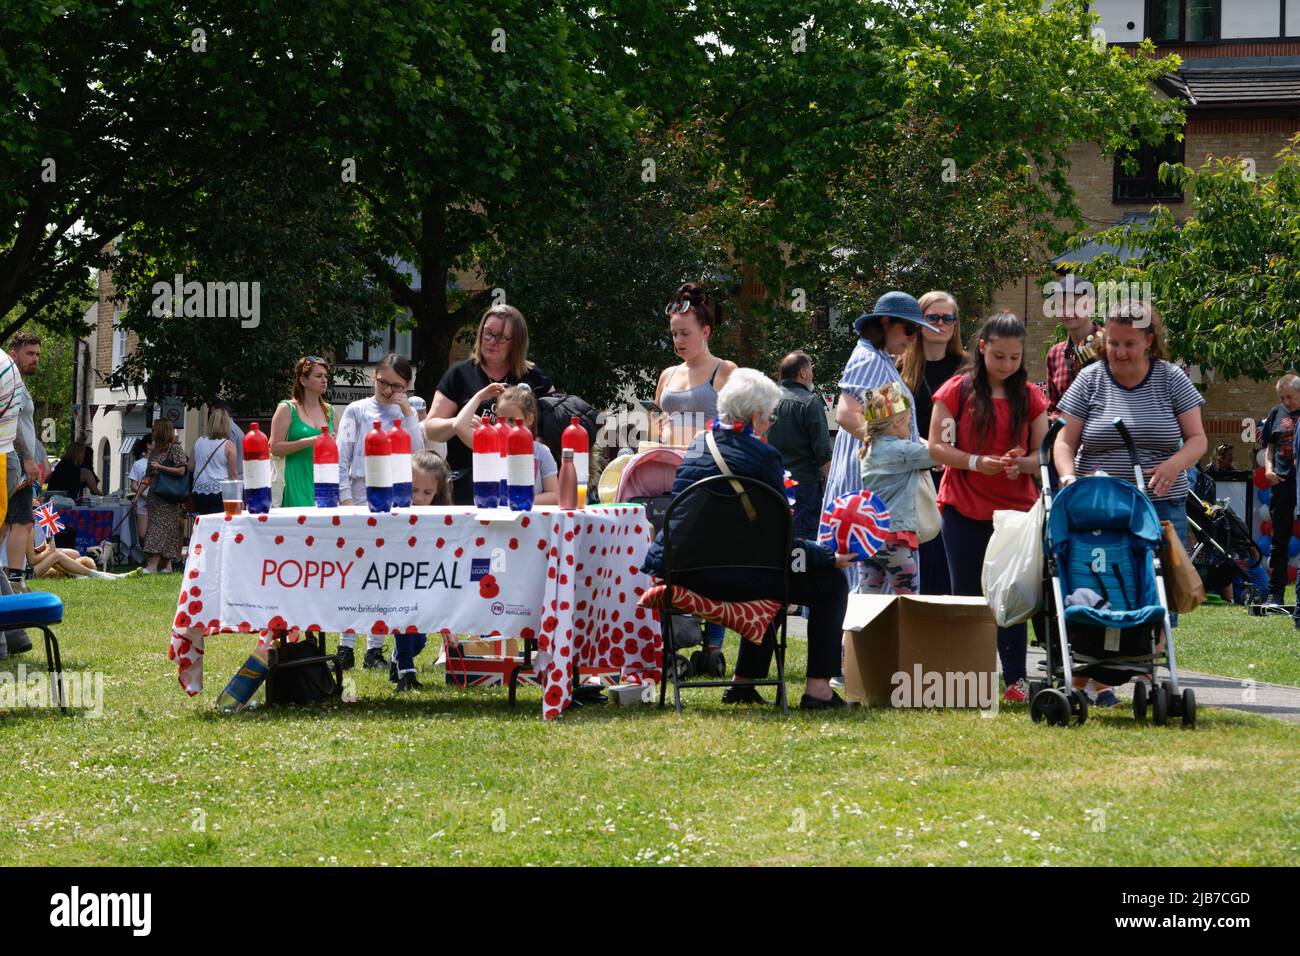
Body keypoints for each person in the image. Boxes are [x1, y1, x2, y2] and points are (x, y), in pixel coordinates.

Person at [642, 368, 856, 709]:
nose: (771, 423)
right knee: (828, 583)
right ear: (756, 416)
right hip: (742, 579)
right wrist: (827, 557)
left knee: (761, 566)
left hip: (687, 575)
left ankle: (744, 685)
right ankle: (819, 691)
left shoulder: (698, 445)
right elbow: (778, 540)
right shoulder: (765, 458)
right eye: (770, 416)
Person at [1054, 300, 1206, 648]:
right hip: (1099, 509)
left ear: (1149, 341)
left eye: (1129, 344)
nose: (1120, 352)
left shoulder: (1171, 379)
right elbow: (1064, 441)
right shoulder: (1090, 379)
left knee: (1159, 592)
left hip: (1159, 504)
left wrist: (1172, 465)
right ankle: (1092, 668)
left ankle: (1148, 673)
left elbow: (1197, 440)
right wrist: (1067, 479)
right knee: (1103, 586)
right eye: (1113, 343)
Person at [928, 312, 1049, 703]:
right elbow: (937, 447)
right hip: (963, 507)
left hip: (1014, 514)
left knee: (1011, 595)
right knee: (967, 594)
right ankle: (970, 679)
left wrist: (1021, 462)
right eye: (999, 356)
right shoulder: (955, 391)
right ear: (982, 348)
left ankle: (1015, 680)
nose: (1007, 365)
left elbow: (1042, 455)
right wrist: (977, 461)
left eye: (1014, 358)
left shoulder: (1031, 396)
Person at [825, 291, 940, 592]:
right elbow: (846, 414)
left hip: (880, 485)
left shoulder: (880, 358)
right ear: (885, 323)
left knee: (872, 588)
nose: (913, 338)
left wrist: (919, 449)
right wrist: (890, 452)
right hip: (873, 486)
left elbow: (892, 426)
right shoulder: (868, 357)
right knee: (872, 588)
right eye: (910, 329)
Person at [335, 353, 424, 670]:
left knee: (385, 575)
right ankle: (345, 645)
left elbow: (419, 455)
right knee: (355, 575)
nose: (388, 391)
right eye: (384, 383)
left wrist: (406, 411)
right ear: (374, 377)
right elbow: (340, 458)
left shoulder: (408, 412)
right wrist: (345, 500)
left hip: (397, 497)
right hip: (360, 494)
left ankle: (375, 647)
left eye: (397, 386)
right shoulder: (356, 411)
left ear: (407, 386)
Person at [424, 305, 553, 505]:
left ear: (516, 342)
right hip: (466, 485)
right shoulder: (459, 374)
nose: (492, 342)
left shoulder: (535, 377)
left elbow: (554, 427)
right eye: (488, 333)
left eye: (501, 338)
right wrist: (457, 423)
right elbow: (431, 429)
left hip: (519, 487)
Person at [898, 290, 966, 595]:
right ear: (919, 322)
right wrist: (929, 450)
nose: (941, 323)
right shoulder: (901, 369)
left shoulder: (969, 369)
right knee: (922, 557)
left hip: (959, 475)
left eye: (948, 317)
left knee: (952, 559)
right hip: (915, 476)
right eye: (933, 317)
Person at [858, 384, 935, 595]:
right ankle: (906, 629)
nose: (911, 428)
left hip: (870, 537)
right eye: (909, 422)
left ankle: (862, 629)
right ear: (897, 423)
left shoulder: (869, 449)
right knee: (908, 599)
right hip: (894, 538)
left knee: (868, 598)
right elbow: (937, 453)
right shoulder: (901, 450)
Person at [387, 450, 453, 693]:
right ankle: (406, 670)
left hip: (425, 580)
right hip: (399, 579)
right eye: (414, 491)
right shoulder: (395, 509)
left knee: (419, 640)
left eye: (427, 492)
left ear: (438, 492)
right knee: (405, 622)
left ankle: (397, 659)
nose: (420, 498)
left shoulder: (442, 516)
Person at [654, 282, 738, 447]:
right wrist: (655, 426)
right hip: (666, 462)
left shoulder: (725, 370)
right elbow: (653, 427)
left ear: (705, 332)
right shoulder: (667, 375)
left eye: (685, 333)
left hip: (708, 466)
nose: (678, 340)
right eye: (674, 334)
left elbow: (744, 426)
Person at [767, 351, 832, 541]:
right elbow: (823, 453)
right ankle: (801, 571)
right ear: (803, 373)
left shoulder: (766, 400)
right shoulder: (810, 402)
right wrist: (831, 489)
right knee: (803, 541)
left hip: (771, 483)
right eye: (810, 369)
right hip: (804, 486)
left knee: (776, 537)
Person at [467, 384, 558, 505]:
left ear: (529, 419)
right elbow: (458, 426)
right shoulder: (491, 449)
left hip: (529, 519)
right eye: (501, 419)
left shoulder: (541, 452)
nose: (505, 425)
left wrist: (520, 500)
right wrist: (479, 397)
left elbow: (554, 495)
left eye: (512, 420)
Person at [270, 356, 335, 507]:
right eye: (318, 376)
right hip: (295, 476)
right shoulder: (287, 408)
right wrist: (313, 441)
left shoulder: (330, 411)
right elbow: (274, 448)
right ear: (303, 380)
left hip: (324, 480)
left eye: (325, 376)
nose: (324, 380)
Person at [1259, 373, 1300, 606]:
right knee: (1279, 539)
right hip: (1281, 482)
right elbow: (1269, 448)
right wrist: (1268, 469)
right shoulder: (1276, 413)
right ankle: (1275, 595)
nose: (1286, 401)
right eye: (1282, 397)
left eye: (1290, 397)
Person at [4, 332, 40, 590]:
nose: (35, 359)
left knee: (9, 521)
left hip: (16, 459)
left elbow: (26, 425)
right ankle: (15, 579)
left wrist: (39, 454)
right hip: (14, 460)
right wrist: (27, 458)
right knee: (22, 520)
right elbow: (12, 425)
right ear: (13, 354)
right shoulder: (11, 383)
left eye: (37, 354)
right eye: (29, 353)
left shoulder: (20, 383)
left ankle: (10, 579)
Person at [1045, 276, 1104, 415]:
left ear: (1091, 305)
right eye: (1060, 306)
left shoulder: (1112, 345)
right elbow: (1054, 407)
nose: (1066, 312)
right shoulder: (1054, 354)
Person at [142, 420, 188, 574]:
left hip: (169, 496)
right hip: (155, 497)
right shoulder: (155, 451)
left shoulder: (175, 449)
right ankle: (167, 566)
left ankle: (152, 565)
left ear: (162, 431)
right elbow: (148, 476)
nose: (153, 432)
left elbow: (182, 470)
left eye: (155, 429)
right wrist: (137, 495)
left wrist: (161, 467)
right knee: (165, 530)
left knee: (159, 529)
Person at [27, 524, 142, 580]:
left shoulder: (24, 527)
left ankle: (111, 575)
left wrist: (46, 548)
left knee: (66, 554)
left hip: (25, 570)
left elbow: (30, 554)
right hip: (26, 574)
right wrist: (48, 550)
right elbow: (32, 561)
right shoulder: (27, 528)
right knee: (56, 555)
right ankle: (96, 575)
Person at [189, 407, 239, 515]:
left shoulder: (199, 441)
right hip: (220, 491)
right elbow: (233, 475)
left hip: (199, 490)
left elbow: (190, 467)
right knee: (219, 525)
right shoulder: (229, 445)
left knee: (203, 523)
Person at [128, 435, 153, 546]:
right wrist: (143, 495)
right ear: (148, 445)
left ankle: (153, 558)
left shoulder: (161, 463)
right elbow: (133, 485)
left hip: (157, 504)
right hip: (143, 503)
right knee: (142, 535)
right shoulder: (138, 464)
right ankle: (146, 556)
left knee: (154, 533)